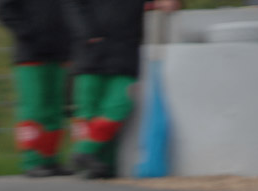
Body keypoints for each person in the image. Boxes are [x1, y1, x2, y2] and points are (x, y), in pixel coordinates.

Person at [62, 0, 181, 179]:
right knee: (88, 111)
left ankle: (84, 150)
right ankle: (99, 165)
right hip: (90, 54)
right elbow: (73, 7)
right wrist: (87, 33)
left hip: (124, 55)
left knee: (120, 103)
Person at [0, 0, 73, 178]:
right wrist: (28, 33)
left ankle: (50, 158)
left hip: (60, 52)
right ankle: (31, 161)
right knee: (34, 108)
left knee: (54, 109)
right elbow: (2, 10)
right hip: (30, 53)